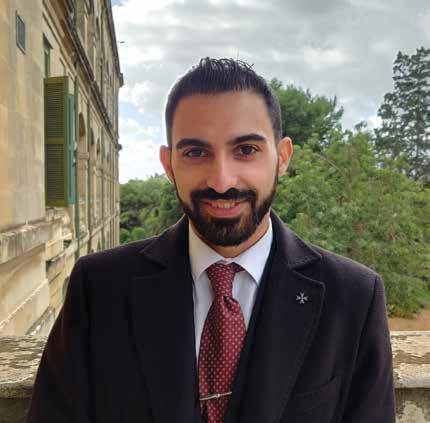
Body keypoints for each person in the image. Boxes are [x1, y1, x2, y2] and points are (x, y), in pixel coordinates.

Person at [27, 57, 396, 423]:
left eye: (246, 150)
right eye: (196, 152)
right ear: (169, 165)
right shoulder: (99, 288)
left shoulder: (354, 297)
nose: (221, 181)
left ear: (282, 157)